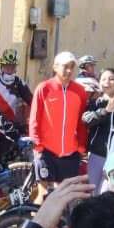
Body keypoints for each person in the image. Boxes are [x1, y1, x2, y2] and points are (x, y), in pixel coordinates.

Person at [28, 51, 90, 188]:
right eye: (65, 66)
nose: (69, 70)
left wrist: (81, 146)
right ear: (55, 67)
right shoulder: (44, 88)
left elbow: (81, 122)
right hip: (46, 150)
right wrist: (38, 145)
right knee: (43, 195)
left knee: (64, 195)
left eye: (71, 67)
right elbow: (34, 120)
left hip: (70, 152)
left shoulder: (80, 91)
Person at [80, 68, 114, 189]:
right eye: (103, 79)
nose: (107, 82)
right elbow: (86, 121)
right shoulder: (95, 103)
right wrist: (106, 111)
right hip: (97, 156)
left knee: (113, 193)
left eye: (111, 79)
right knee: (93, 192)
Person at [0, 50, 33, 131]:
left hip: (8, 127)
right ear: (2, 67)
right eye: (7, 67)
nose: (9, 71)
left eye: (12, 67)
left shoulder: (19, 83)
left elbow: (32, 101)